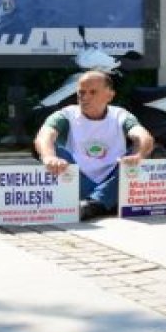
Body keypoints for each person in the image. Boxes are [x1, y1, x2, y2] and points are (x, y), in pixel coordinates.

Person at [36, 70, 155, 220]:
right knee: (52, 151)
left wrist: (138, 155)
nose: (85, 97)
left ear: (110, 95)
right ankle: (103, 203)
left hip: (112, 178)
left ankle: (94, 204)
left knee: (143, 153)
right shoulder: (66, 115)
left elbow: (143, 136)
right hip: (78, 178)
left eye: (92, 92)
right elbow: (44, 135)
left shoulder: (120, 115)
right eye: (81, 93)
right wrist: (49, 157)